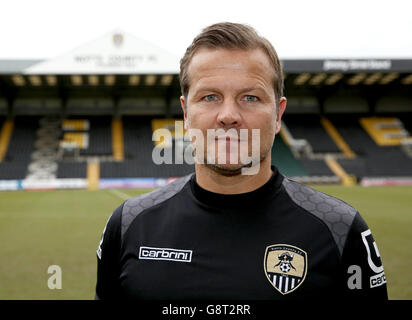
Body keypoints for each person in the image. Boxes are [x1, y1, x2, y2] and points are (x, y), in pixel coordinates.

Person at [95, 22, 387, 300]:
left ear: (277, 115)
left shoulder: (342, 230)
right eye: (210, 97)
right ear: (186, 114)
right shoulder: (127, 225)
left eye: (250, 97)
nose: (228, 115)